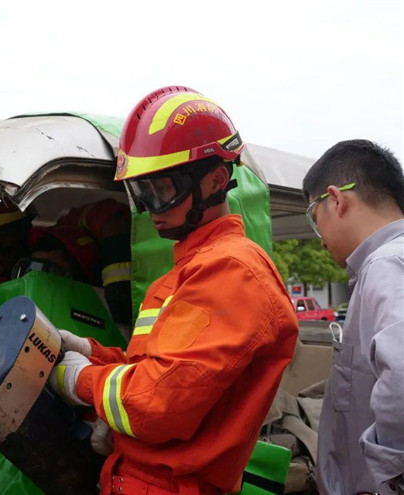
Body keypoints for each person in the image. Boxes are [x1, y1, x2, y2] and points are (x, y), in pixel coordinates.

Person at [49, 86, 298, 494]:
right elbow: (156, 369)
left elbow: (156, 403)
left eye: (161, 190)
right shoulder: (193, 268)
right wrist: (89, 352)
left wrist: (80, 381)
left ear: (217, 180)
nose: (149, 208)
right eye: (141, 192)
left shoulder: (230, 272)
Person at [302, 139, 404, 495]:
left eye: (315, 220)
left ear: (336, 200)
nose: (320, 241)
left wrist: (391, 479)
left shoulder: (386, 265)